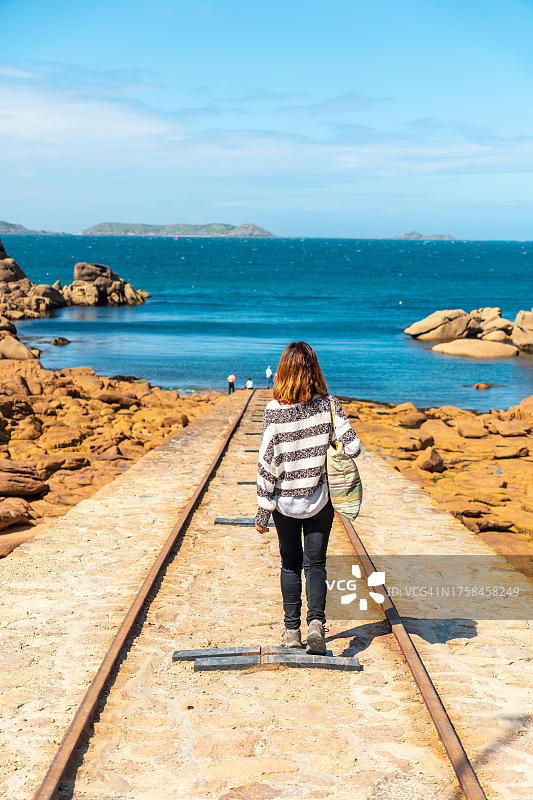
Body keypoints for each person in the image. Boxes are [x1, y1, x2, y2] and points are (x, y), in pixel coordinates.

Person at [255, 342, 361, 654]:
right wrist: (330, 441)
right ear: (314, 371)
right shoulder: (329, 405)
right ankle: (316, 625)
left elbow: (267, 462)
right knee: (316, 564)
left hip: (285, 505)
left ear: (283, 372)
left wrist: (263, 510)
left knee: (290, 564)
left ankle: (291, 632)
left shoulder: (274, 412)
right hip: (319, 501)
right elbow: (353, 448)